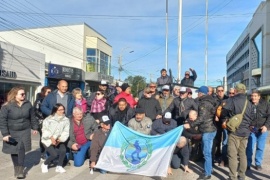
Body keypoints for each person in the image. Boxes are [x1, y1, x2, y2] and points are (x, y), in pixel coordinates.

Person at [0, 87, 38, 179]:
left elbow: (32, 117)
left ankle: (20, 169)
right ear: (15, 95)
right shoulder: (7, 106)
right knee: (14, 150)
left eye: (24, 93)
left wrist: (35, 127)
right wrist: (5, 134)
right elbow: (2, 121)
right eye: (22, 94)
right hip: (12, 132)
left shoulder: (28, 104)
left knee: (21, 148)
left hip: (25, 131)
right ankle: (16, 168)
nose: (24, 95)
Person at [220, 83, 253, 180]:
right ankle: (242, 176)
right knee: (242, 154)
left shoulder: (232, 100)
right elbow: (251, 117)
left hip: (234, 131)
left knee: (232, 155)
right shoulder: (249, 102)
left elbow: (223, 112)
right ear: (244, 90)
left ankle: (232, 177)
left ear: (236, 90)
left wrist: (226, 119)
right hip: (245, 132)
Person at [184, 86, 217, 180]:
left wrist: (191, 125)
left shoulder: (204, 103)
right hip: (210, 129)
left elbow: (202, 118)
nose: (197, 94)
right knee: (207, 151)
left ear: (201, 93)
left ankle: (207, 174)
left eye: (198, 93)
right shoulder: (211, 101)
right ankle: (209, 169)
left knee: (206, 152)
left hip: (207, 130)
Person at [41, 103, 70, 173]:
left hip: (59, 139)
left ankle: (59, 166)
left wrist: (60, 139)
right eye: (59, 110)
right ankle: (45, 164)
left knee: (63, 150)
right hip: (47, 140)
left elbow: (66, 131)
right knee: (54, 154)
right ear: (55, 110)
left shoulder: (66, 120)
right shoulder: (48, 119)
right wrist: (51, 138)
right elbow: (44, 130)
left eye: (63, 109)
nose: (62, 111)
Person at [246, 90, 270, 171]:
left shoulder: (265, 104)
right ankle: (247, 163)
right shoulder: (248, 104)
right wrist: (248, 126)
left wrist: (266, 126)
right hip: (252, 130)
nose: (253, 97)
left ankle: (258, 163)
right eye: (252, 95)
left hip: (262, 130)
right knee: (249, 148)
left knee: (260, 148)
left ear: (259, 97)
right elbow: (245, 117)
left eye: (255, 96)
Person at [34, 86, 52, 161]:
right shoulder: (39, 100)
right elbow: (36, 110)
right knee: (43, 137)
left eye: (51, 92)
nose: (50, 93)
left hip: (49, 121)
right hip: (41, 122)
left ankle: (48, 152)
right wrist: (44, 117)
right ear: (44, 92)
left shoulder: (50, 100)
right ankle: (42, 153)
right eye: (48, 92)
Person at [212, 86, 228, 164]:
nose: (220, 92)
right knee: (217, 139)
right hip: (217, 123)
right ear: (216, 91)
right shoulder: (214, 99)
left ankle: (224, 158)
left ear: (224, 91)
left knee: (225, 140)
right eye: (218, 91)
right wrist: (215, 115)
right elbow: (212, 109)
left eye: (222, 90)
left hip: (225, 122)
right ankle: (217, 154)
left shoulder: (228, 99)